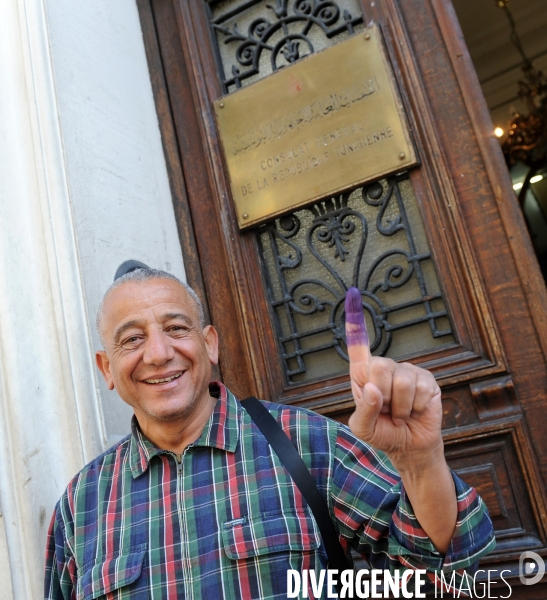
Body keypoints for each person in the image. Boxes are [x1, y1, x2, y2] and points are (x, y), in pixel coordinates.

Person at [44, 268, 495, 599]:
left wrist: (421, 462)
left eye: (176, 328)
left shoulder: (310, 443)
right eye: (132, 340)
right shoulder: (80, 505)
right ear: (107, 368)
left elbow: (439, 579)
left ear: (210, 344)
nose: (160, 354)